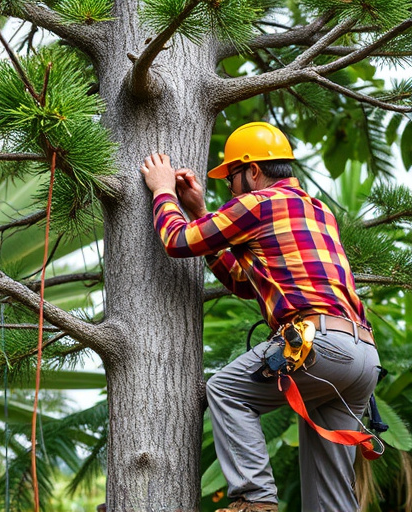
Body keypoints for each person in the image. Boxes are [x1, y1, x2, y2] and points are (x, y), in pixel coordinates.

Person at [140, 122, 381, 512]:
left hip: (317, 347)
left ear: (252, 171)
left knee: (226, 390)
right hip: (362, 357)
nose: (231, 189)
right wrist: (200, 210)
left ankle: (254, 500)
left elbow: (177, 241)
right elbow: (243, 282)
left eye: (232, 177)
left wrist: (163, 190)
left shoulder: (258, 203)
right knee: (331, 502)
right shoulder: (318, 211)